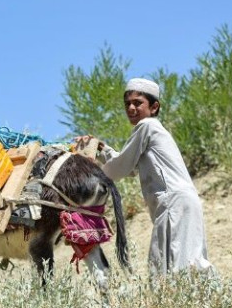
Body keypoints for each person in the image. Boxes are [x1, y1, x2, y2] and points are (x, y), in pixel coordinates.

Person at [90, 77, 215, 278]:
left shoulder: (147, 126)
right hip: (178, 204)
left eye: (137, 103)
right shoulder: (150, 130)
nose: (131, 108)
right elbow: (129, 166)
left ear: (154, 107)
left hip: (174, 203)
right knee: (184, 266)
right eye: (127, 104)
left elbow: (120, 168)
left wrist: (90, 172)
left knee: (173, 271)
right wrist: (103, 150)